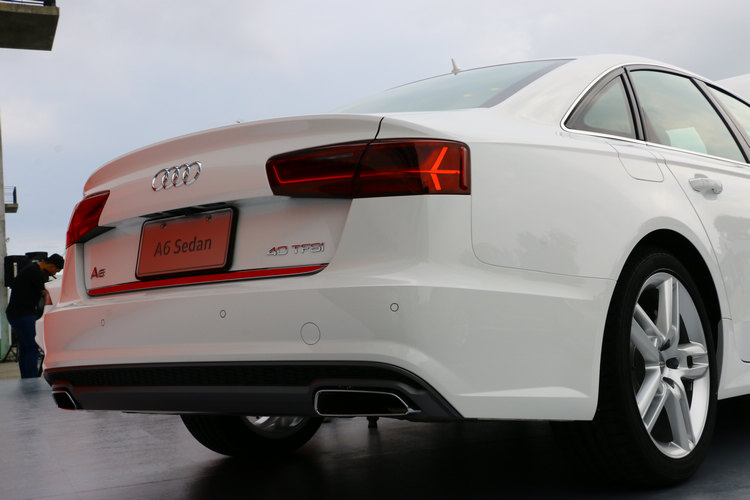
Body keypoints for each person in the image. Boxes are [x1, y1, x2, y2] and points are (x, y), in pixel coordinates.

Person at [6, 253, 64, 378]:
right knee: (32, 346)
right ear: (52, 266)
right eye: (55, 271)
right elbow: (48, 292)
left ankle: (26, 378)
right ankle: (31, 379)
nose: (54, 274)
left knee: (25, 347)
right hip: (22, 315)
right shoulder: (35, 272)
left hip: (17, 314)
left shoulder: (34, 269)